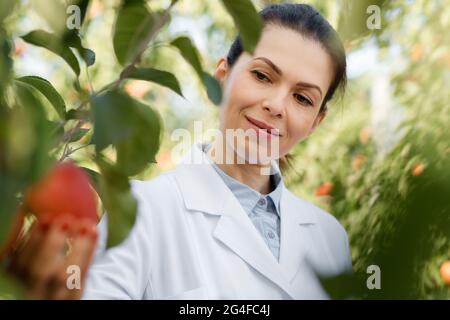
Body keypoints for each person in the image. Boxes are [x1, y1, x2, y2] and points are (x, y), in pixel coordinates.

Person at [9, 3, 352, 300]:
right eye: (262, 76)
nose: (277, 105)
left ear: (316, 122)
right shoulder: (143, 210)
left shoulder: (329, 238)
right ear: (223, 75)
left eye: (303, 98)